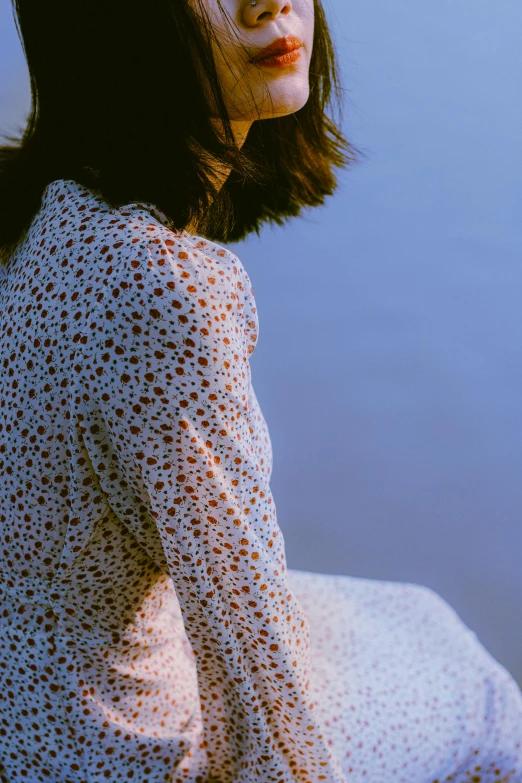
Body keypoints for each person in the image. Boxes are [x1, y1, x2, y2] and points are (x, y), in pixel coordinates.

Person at [0, 1, 520, 781]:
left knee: (415, 614)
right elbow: (252, 648)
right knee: (482, 699)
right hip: (108, 746)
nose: (268, 3)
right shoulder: (167, 289)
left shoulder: (41, 211)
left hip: (34, 692)